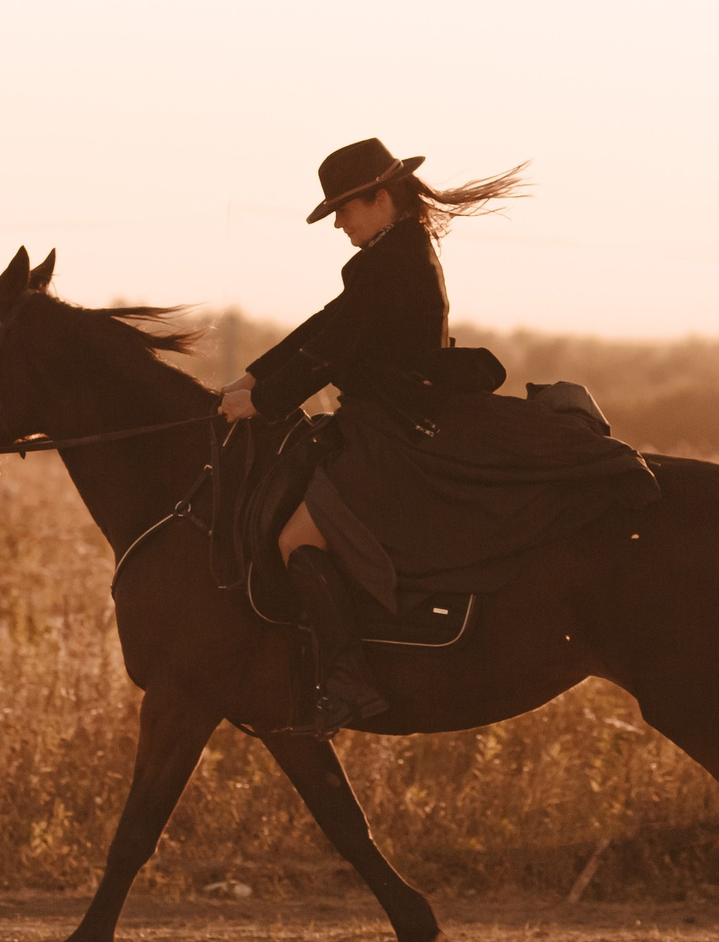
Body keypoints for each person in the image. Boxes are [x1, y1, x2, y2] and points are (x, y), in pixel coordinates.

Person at [221, 139, 524, 734]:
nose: (338, 222)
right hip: (385, 421)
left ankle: (349, 682)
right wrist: (252, 375)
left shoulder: (392, 261)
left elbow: (331, 352)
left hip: (395, 433)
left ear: (380, 198)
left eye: (344, 208)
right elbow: (327, 324)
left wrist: (261, 401)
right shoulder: (395, 253)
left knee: (292, 543)